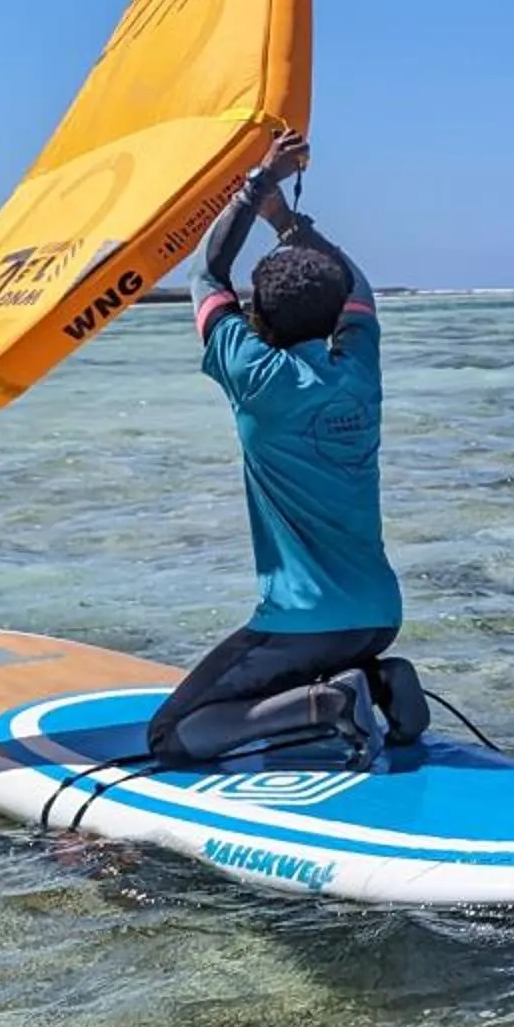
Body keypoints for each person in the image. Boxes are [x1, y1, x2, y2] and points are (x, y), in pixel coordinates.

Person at [143, 130, 431, 764]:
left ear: (258, 321)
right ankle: (382, 680)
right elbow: (353, 281)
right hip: (378, 616)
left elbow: (205, 272)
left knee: (171, 737)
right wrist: (283, 218)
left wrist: (255, 186)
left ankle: (325, 705)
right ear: (336, 316)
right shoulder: (358, 367)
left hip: (303, 625)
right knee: (311, 661)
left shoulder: (257, 378)